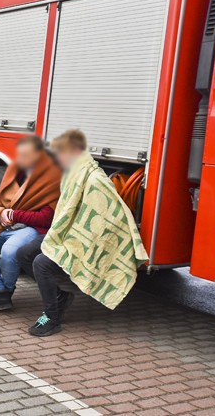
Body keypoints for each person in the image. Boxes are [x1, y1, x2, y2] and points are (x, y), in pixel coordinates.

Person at [26, 129, 149, 337]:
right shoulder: (75, 174)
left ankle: (51, 317)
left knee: (41, 263)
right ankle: (59, 297)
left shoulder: (95, 180)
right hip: (71, 234)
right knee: (25, 253)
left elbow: (107, 220)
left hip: (88, 242)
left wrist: (72, 239)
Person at [0, 136, 62, 313]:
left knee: (9, 252)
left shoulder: (50, 181)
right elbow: (1, 200)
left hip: (30, 228)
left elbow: (45, 218)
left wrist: (14, 214)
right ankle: (0, 293)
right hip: (6, 225)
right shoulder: (15, 172)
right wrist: (0, 213)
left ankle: (5, 293)